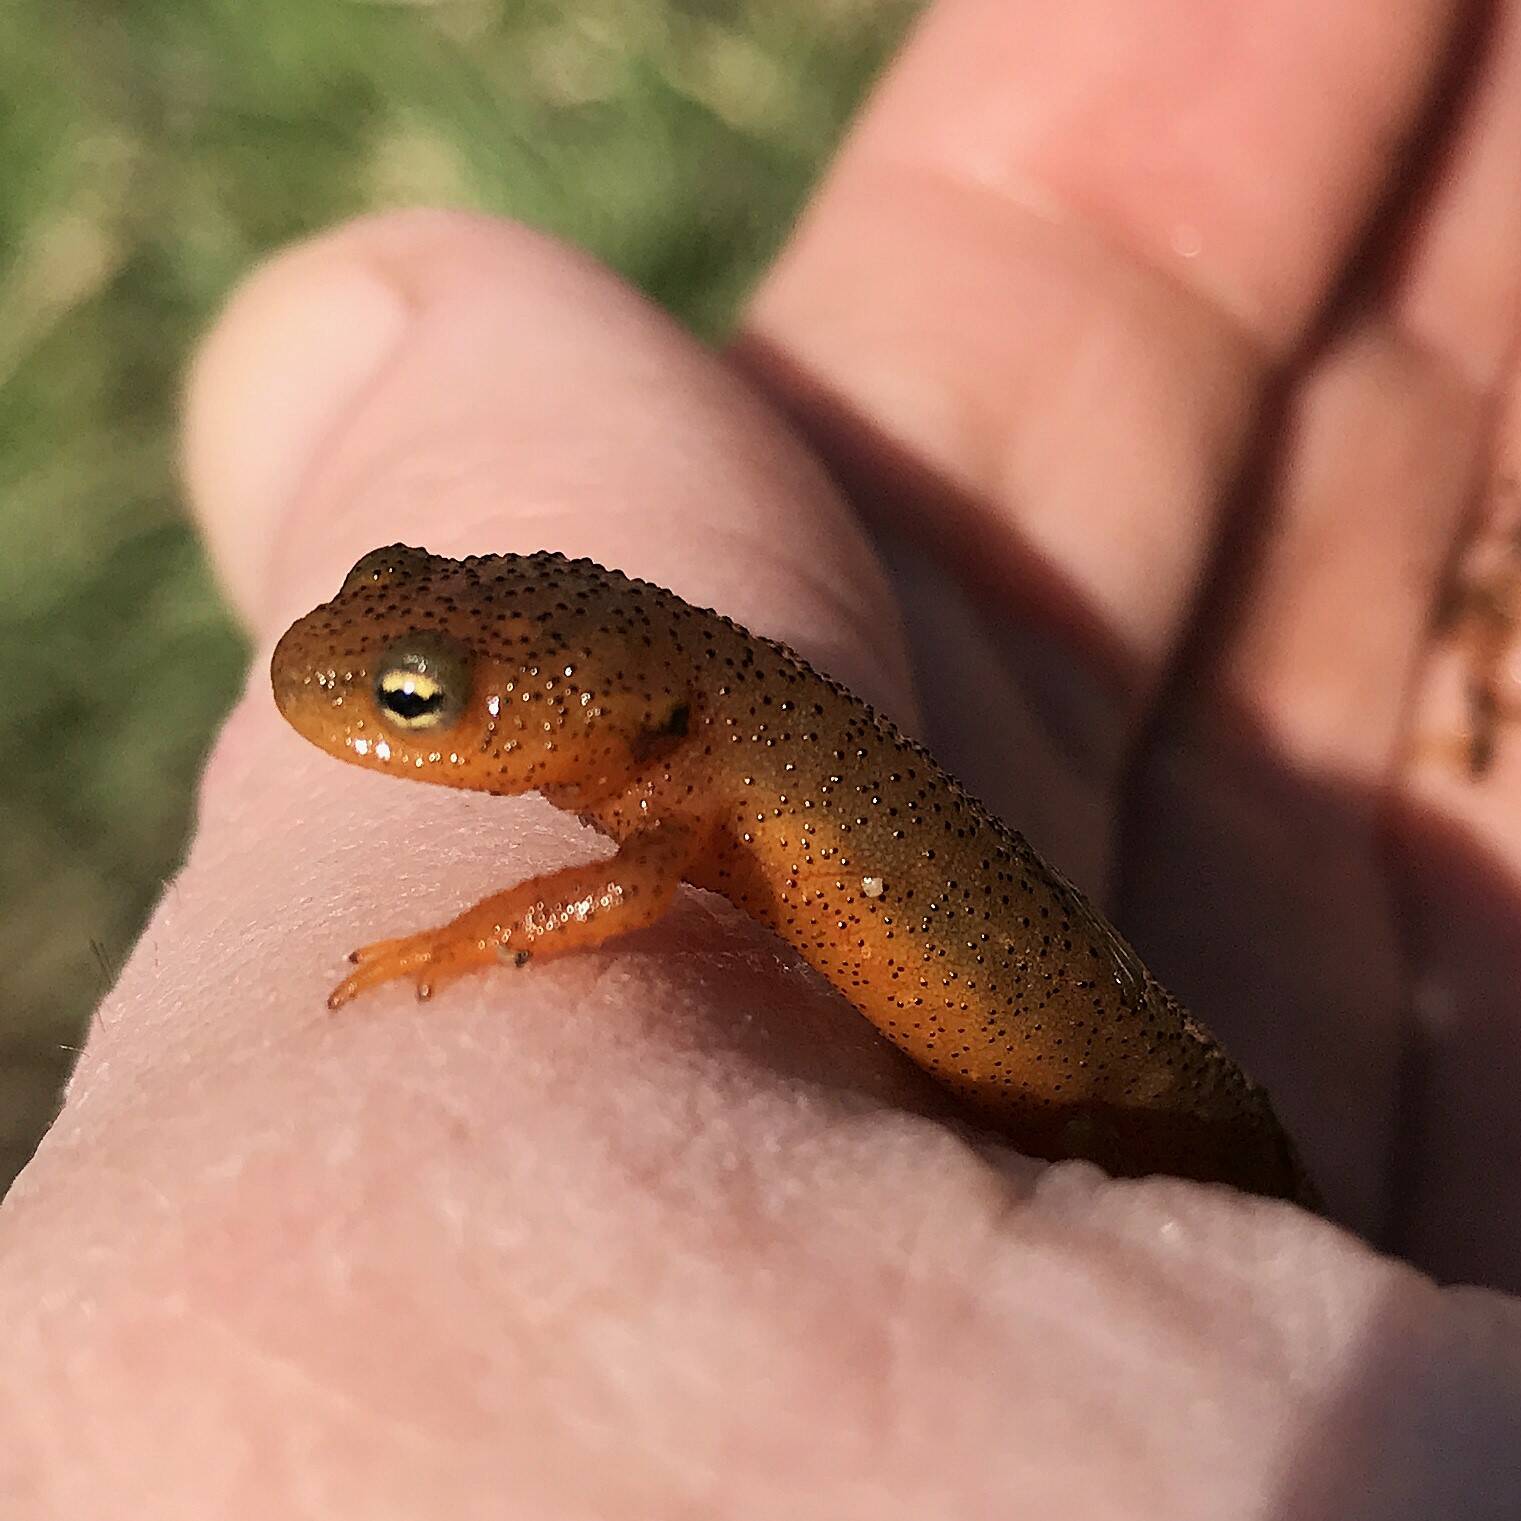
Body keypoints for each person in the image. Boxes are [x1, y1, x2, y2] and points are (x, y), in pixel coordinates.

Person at [5, 0, 1521, 1511]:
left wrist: (459, 938)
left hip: (1140, 1126)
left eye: (416, 697)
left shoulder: (674, 779)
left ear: (614, 717)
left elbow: (620, 897)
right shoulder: (677, 728)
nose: (357, 699)